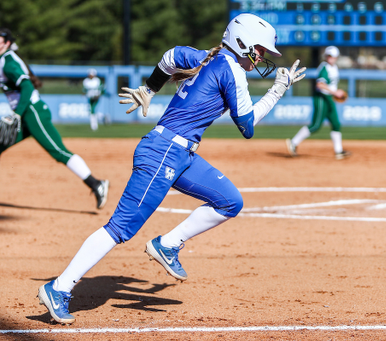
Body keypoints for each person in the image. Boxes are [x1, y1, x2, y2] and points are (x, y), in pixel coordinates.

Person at [37, 13, 306, 324]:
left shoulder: (207, 56)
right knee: (119, 229)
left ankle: (167, 244)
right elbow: (247, 126)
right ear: (242, 42)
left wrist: (150, 89)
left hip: (180, 154)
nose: (261, 56)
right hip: (164, 152)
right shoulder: (230, 68)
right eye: (259, 49)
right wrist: (277, 91)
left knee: (230, 201)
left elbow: (170, 56)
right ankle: (59, 288)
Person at [0, 28, 109, 209]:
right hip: (26, 113)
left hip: (32, 112)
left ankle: (96, 184)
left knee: (59, 151)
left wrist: (17, 114)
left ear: (8, 43)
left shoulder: (8, 61)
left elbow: (27, 87)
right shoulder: (5, 60)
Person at [286, 45, 351, 160]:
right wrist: (335, 92)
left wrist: (333, 93)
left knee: (336, 124)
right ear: (325, 56)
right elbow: (320, 84)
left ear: (336, 57)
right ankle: (293, 143)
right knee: (316, 125)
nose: (331, 58)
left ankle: (339, 151)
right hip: (321, 98)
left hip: (329, 98)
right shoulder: (324, 68)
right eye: (329, 55)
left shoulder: (334, 67)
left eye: (333, 56)